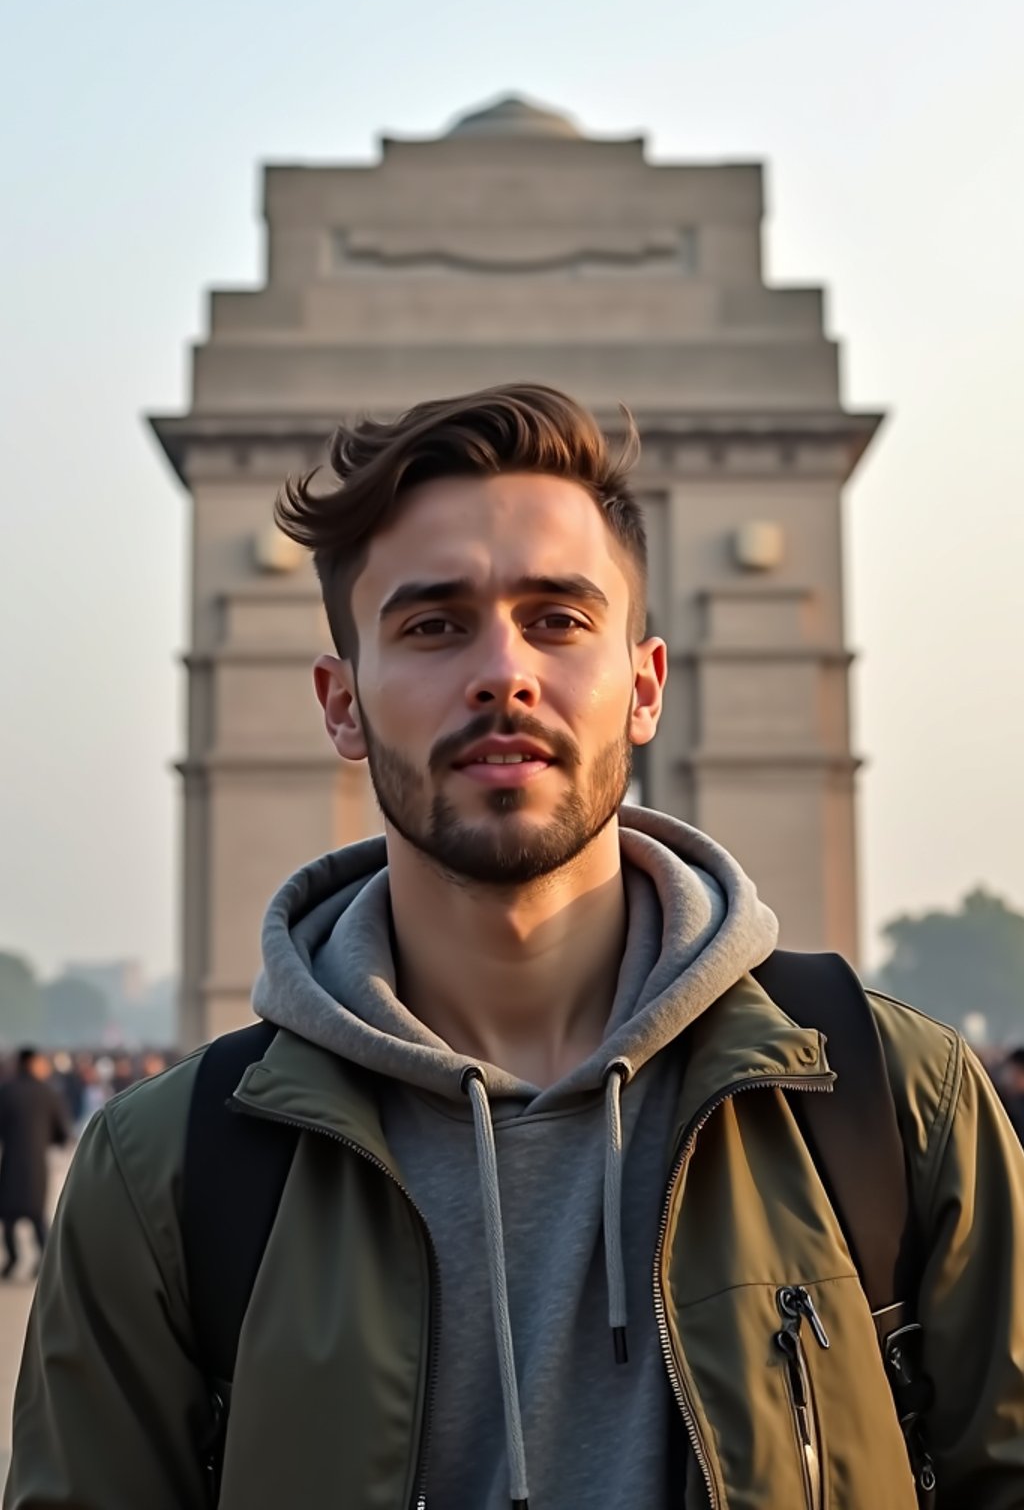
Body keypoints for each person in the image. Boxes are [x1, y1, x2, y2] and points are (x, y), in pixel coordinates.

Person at [7, 384, 1024, 1509]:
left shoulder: (898, 1107)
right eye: (434, 624)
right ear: (341, 704)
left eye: (558, 618)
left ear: (642, 687)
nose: (504, 671)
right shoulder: (164, 1181)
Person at [0, 1049, 69, 1279]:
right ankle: (44, 1261)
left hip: (10, 1161)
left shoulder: (6, 1091)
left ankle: (13, 1259)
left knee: (8, 1215)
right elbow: (61, 1132)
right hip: (36, 1162)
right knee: (36, 1214)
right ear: (33, 1064)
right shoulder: (48, 1092)